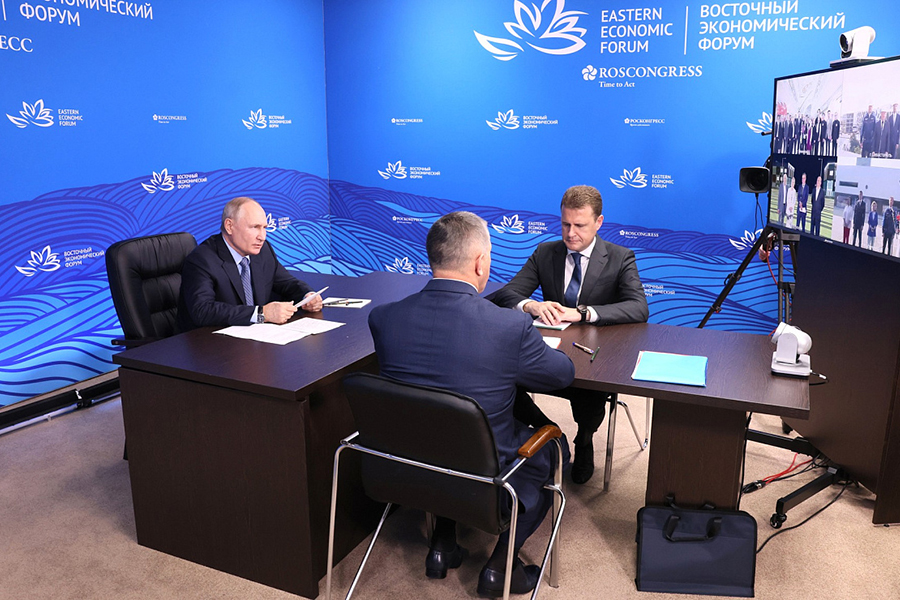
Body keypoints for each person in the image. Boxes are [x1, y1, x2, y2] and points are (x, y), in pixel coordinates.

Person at [368, 211, 574, 597]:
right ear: (480, 262)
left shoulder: (383, 318)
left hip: (405, 470)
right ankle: (500, 568)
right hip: (486, 479)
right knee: (555, 446)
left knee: (439, 428)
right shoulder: (509, 327)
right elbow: (562, 375)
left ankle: (443, 544)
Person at [489, 185, 649, 485]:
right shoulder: (545, 253)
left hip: (593, 356)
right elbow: (508, 293)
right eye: (565, 224)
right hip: (547, 352)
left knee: (589, 394)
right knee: (503, 377)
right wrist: (532, 305)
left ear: (598, 222)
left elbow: (639, 307)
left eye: (579, 225)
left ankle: (583, 439)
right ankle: (548, 430)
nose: (570, 233)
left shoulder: (619, 257)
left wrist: (583, 313)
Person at [176, 196, 323, 331]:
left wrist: (307, 296)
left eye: (264, 228)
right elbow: (202, 310)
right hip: (208, 342)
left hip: (254, 338)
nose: (262, 236)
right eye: (255, 227)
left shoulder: (263, 250)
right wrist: (261, 314)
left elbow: (286, 282)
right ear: (229, 226)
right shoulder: (202, 259)